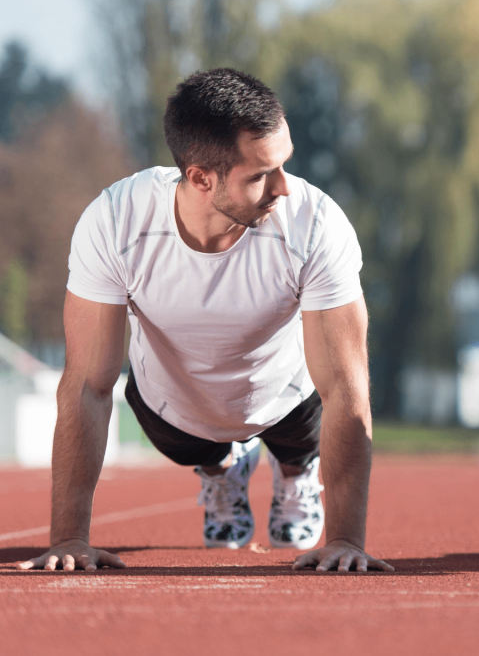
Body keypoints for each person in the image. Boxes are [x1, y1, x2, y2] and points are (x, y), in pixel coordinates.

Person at [18, 68, 393, 573]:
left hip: (287, 398)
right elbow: (87, 384)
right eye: (261, 174)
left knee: (304, 433)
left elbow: (347, 387)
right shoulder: (115, 223)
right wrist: (68, 537)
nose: (284, 187)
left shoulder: (316, 224)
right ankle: (221, 468)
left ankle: (296, 472)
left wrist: (346, 538)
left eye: (285, 163)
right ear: (200, 177)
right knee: (180, 435)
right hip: (175, 405)